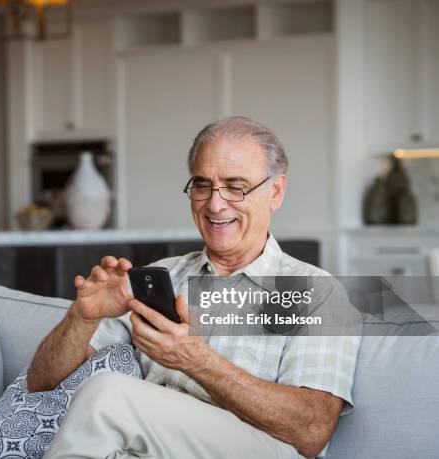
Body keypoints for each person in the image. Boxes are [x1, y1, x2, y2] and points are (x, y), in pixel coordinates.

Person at [27, 116, 361, 459]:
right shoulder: (159, 277)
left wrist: (196, 360)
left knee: (108, 393)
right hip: (153, 446)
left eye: (236, 186)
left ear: (275, 192)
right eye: (203, 185)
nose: (215, 204)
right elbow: (42, 384)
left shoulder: (318, 293)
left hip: (259, 448)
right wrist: (80, 318)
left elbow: (311, 431)